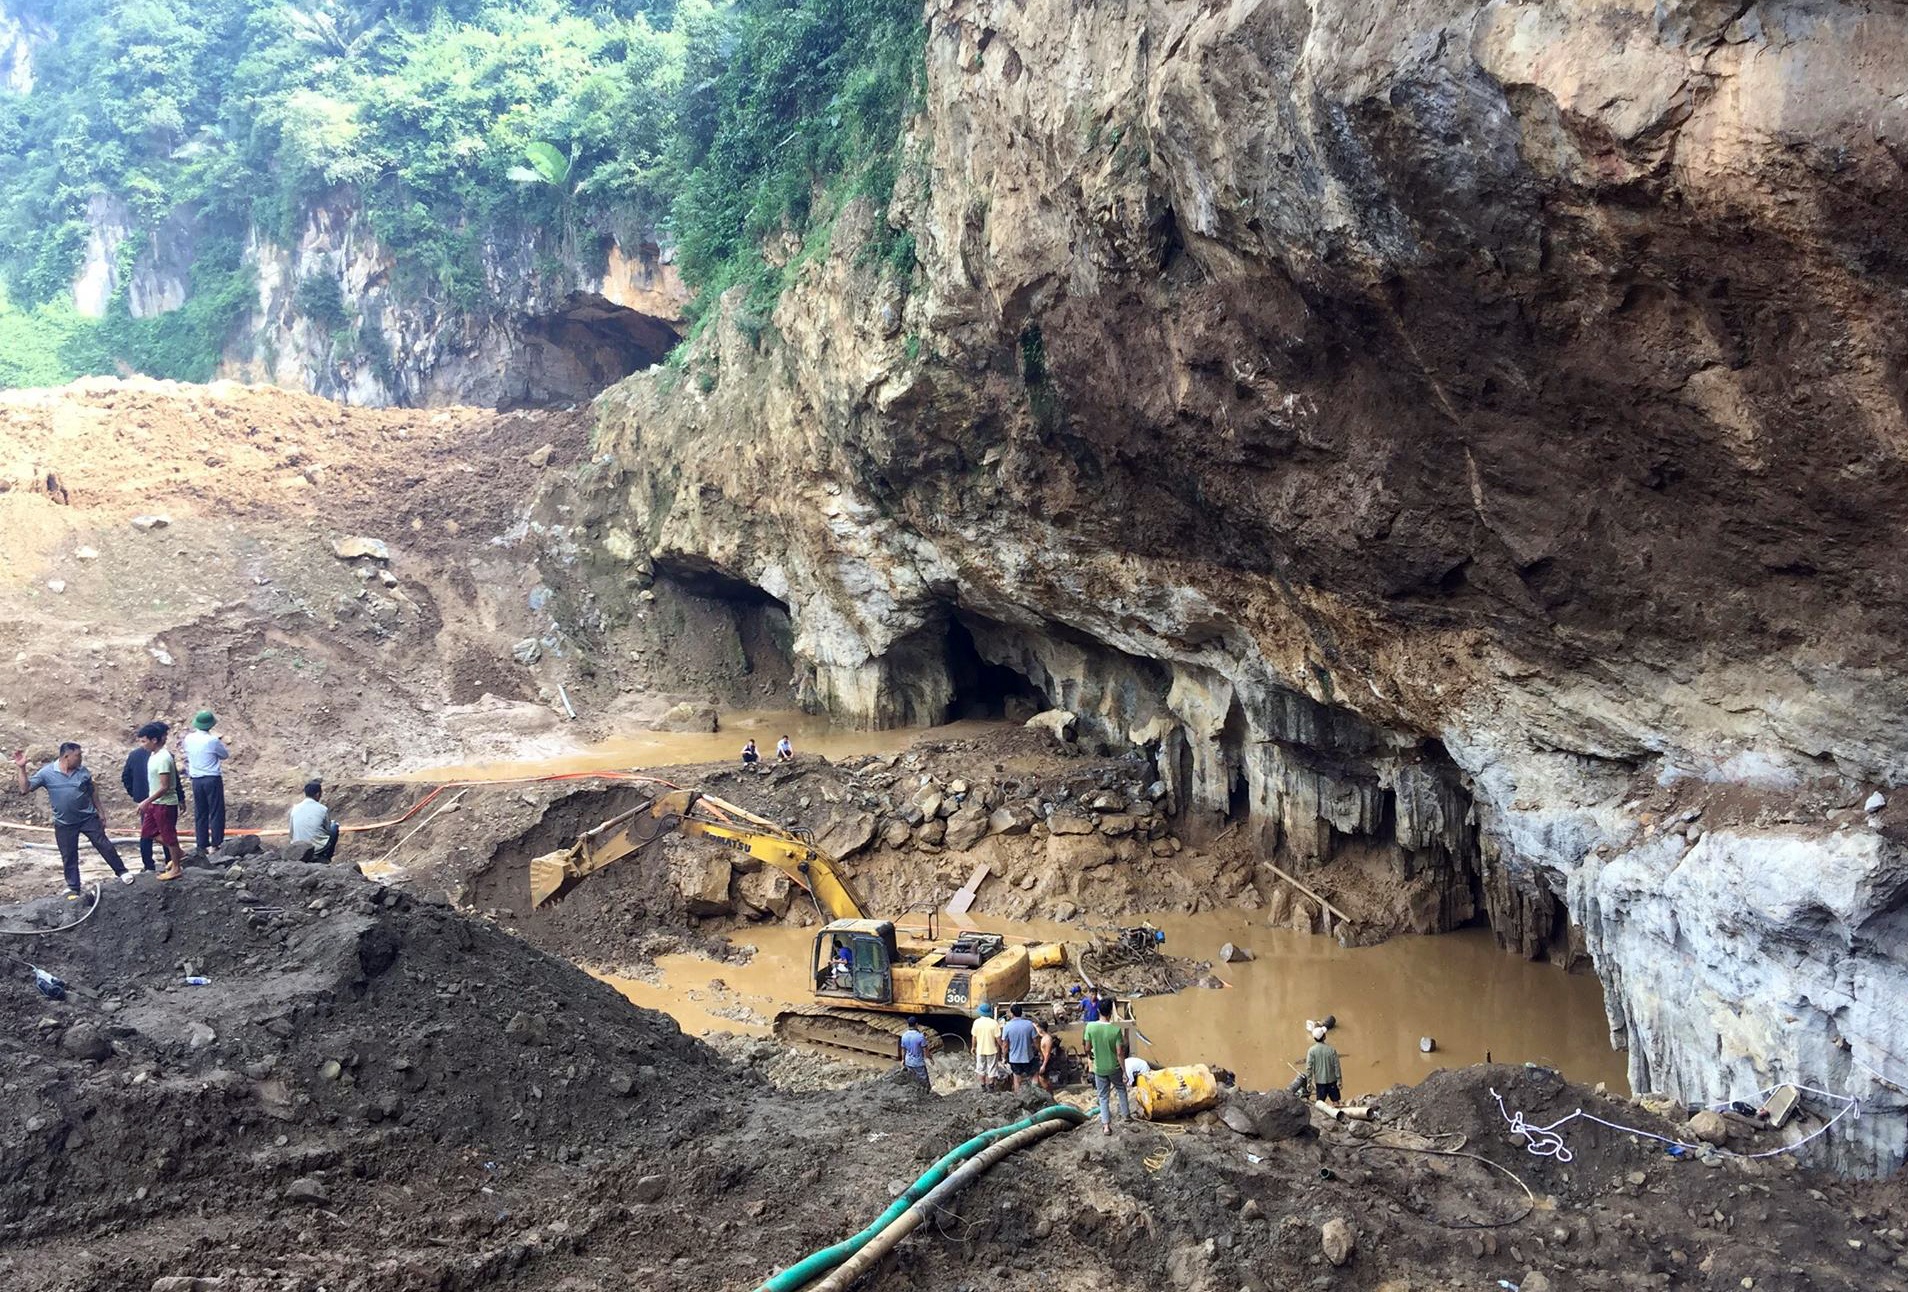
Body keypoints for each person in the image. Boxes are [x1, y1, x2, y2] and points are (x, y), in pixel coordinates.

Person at [13, 743, 133, 897]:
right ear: (66, 756)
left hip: (88, 818)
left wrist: (100, 812)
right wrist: (22, 768)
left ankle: (122, 871)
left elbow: (92, 792)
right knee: (69, 855)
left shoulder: (83, 772)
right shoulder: (47, 773)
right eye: (78, 755)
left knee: (104, 845)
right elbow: (25, 789)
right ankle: (74, 886)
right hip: (64, 823)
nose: (81, 758)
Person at [135, 722, 184, 881]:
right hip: (155, 803)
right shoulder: (153, 755)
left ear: (154, 740)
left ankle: (176, 867)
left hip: (165, 803)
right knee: (148, 833)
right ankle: (178, 852)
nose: (142, 745)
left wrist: (145, 801)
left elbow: (165, 786)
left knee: (169, 835)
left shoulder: (163, 757)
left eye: (144, 741)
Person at [181, 710, 231, 856]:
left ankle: (201, 844)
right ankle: (216, 843)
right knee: (215, 811)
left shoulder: (189, 738)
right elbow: (224, 755)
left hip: (196, 779)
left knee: (200, 812)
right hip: (212, 778)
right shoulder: (212, 740)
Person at [1084, 997, 1132, 1134]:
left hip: (1099, 1068)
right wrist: (1124, 1071)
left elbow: (1087, 1047)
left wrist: (1089, 1055)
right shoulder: (1115, 1030)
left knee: (1103, 1096)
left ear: (1098, 1010)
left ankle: (1106, 1126)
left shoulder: (1090, 1027)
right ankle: (1126, 1115)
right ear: (1111, 1012)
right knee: (1121, 1089)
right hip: (1114, 1067)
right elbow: (1120, 1053)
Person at [119, 737, 155, 872]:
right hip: (160, 800)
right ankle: (170, 861)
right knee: (165, 830)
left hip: (143, 800)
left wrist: (136, 795)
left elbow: (125, 777)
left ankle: (148, 865)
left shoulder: (135, 755)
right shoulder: (164, 756)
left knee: (146, 832)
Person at [289, 779, 339, 861]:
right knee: (334, 826)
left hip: (298, 848)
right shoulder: (323, 809)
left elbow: (291, 833)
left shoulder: (295, 808)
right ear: (317, 794)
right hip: (317, 848)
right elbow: (328, 830)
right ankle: (325, 857)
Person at [1001, 1003, 1040, 1092]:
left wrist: (1004, 1056)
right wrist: (1039, 1051)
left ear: (1012, 1013)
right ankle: (1035, 1092)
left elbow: (1005, 1045)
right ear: (1021, 1013)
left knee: (1017, 1078)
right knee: (1034, 1075)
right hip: (1028, 1057)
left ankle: (1018, 1097)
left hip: (1014, 1058)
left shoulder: (1007, 1026)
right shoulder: (1029, 1024)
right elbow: (1035, 1041)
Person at [1306, 1026, 1343, 1105]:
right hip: (1332, 1081)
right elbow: (1337, 1066)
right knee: (1336, 1102)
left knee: (1320, 1104)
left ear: (1314, 1038)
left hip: (1320, 1082)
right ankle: (1337, 1115)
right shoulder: (1331, 1050)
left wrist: (1309, 1082)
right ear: (1324, 1037)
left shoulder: (1311, 1051)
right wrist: (1339, 1080)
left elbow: (1309, 1068)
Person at [971, 1003, 1003, 1091]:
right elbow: (998, 1039)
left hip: (980, 1050)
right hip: (992, 1050)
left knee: (980, 1068)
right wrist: (1003, 1048)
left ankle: (983, 1086)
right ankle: (991, 1086)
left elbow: (974, 1037)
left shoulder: (976, 1022)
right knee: (991, 1068)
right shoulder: (994, 1023)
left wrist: (973, 1047)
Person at [898, 1017, 930, 1088]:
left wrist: (903, 1060)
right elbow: (926, 1051)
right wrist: (930, 1059)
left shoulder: (904, 1036)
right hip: (918, 1063)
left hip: (908, 1062)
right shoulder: (920, 1036)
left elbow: (903, 1050)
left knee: (913, 1080)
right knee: (924, 1081)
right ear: (916, 1024)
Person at [1034, 1016, 1059, 1092]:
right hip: (1043, 1059)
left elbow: (1048, 1053)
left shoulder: (1047, 1039)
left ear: (1041, 1028)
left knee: (1043, 1080)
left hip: (1046, 1061)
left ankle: (1049, 1093)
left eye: (1038, 1028)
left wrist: (1044, 1065)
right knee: (1041, 1079)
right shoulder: (1043, 1036)